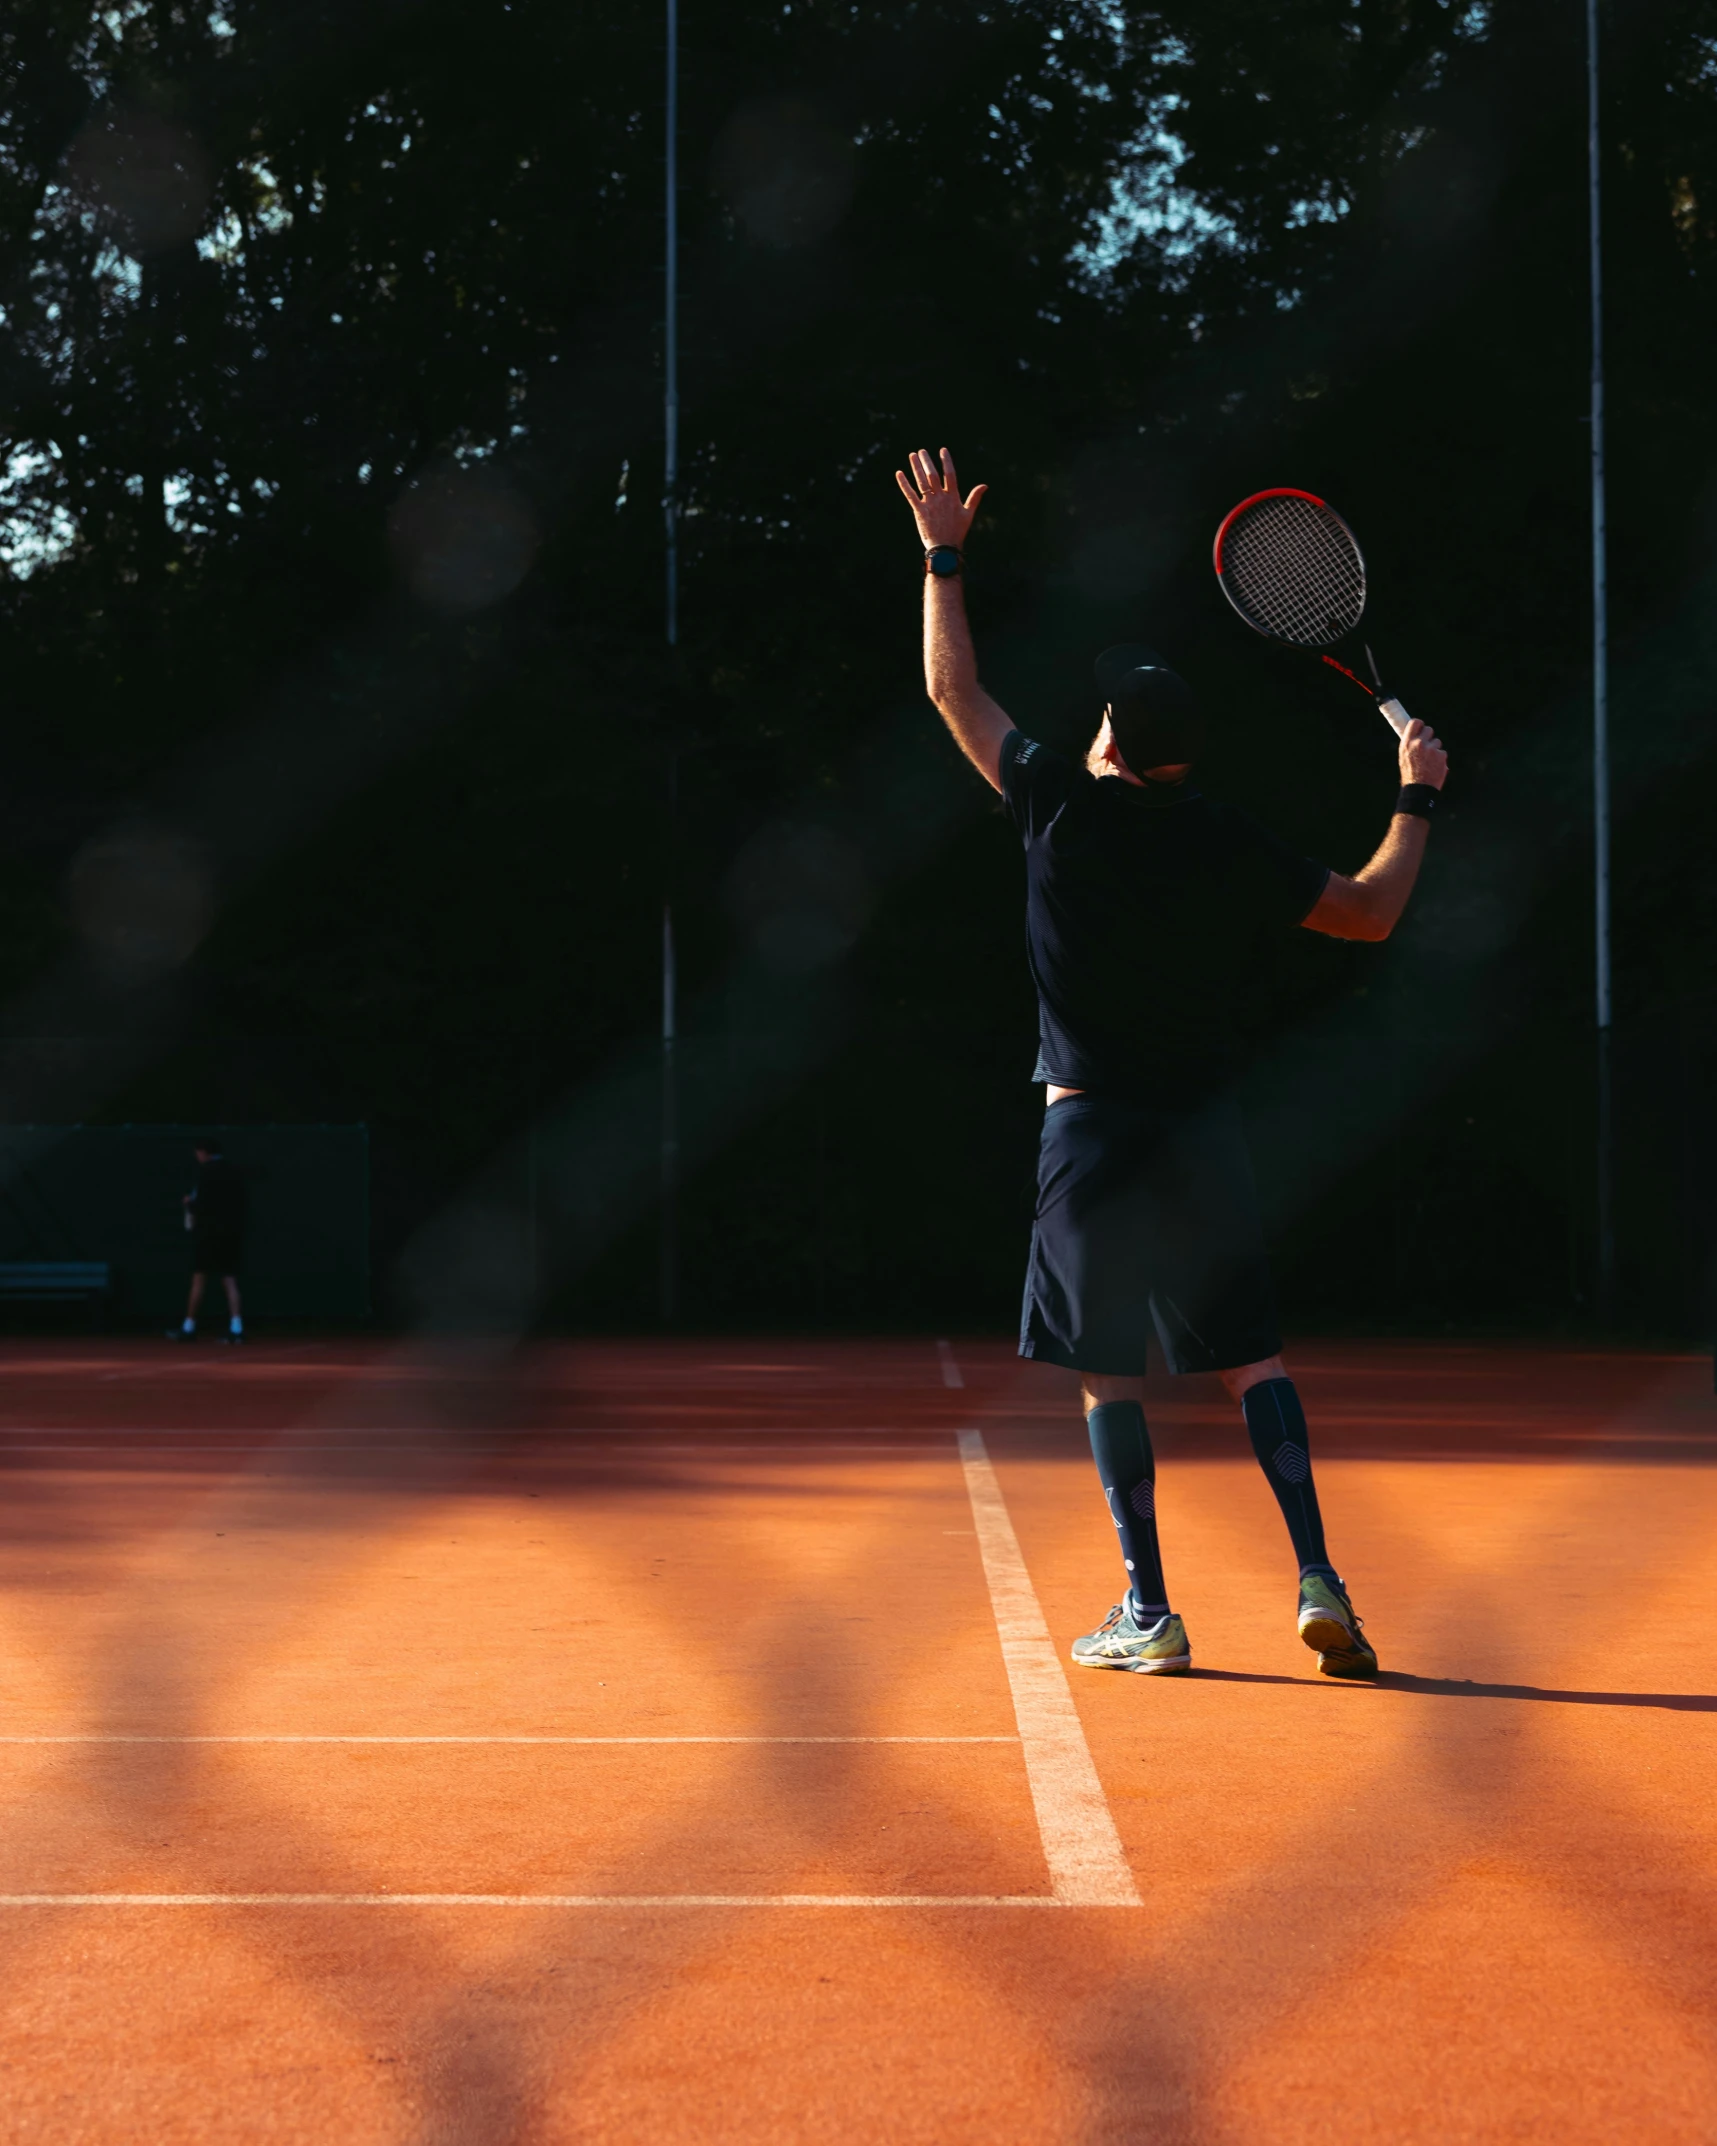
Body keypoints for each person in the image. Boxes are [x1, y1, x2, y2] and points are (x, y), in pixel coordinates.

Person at [896, 446, 1448, 1679]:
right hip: (1201, 1132)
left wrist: (942, 556)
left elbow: (952, 691)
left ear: (1111, 747)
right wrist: (1414, 796)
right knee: (1256, 1358)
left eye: (1102, 712)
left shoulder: (1059, 807)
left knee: (1108, 1375)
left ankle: (1149, 1608)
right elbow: (1368, 911)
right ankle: (1319, 1573)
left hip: (1090, 1132)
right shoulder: (1220, 839)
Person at [169, 1136, 246, 1345]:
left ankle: (189, 1327)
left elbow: (202, 1205)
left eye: (197, 1152)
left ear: (203, 1152)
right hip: (230, 1234)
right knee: (229, 1280)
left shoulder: (206, 1172)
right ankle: (237, 1328)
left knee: (199, 1279)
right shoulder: (233, 1170)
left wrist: (189, 1204)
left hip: (208, 1235)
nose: (197, 1156)